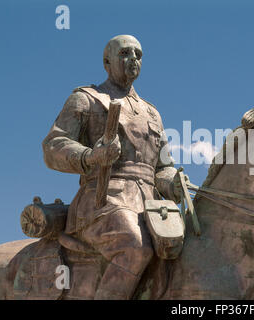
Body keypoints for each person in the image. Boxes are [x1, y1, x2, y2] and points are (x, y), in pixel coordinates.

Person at [42, 34, 182, 299]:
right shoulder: (87, 98)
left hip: (150, 206)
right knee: (134, 247)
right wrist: (90, 156)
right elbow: (52, 145)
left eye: (138, 55)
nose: (133, 59)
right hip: (102, 201)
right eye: (125, 54)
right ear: (106, 62)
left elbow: (163, 167)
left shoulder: (152, 113)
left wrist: (174, 182)